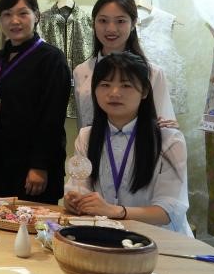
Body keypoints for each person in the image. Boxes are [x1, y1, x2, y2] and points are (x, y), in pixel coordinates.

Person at [64, 52, 191, 235]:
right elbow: (79, 186)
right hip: (106, 236)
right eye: (105, 85)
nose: (114, 93)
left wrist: (116, 211)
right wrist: (75, 200)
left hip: (160, 240)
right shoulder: (86, 137)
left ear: (144, 91)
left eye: (126, 85)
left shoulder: (169, 140)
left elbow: (169, 211)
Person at [0, 0, 71, 204]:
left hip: (32, 169)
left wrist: (39, 165)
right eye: (7, 14)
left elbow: (53, 117)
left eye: (22, 13)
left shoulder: (51, 59)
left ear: (36, 16)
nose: (14, 21)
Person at [72, 0, 176, 127]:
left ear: (133, 24)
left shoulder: (152, 73)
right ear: (93, 23)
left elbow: (164, 124)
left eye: (120, 21)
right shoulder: (81, 71)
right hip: (92, 141)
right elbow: (82, 125)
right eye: (103, 20)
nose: (111, 29)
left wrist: (171, 128)